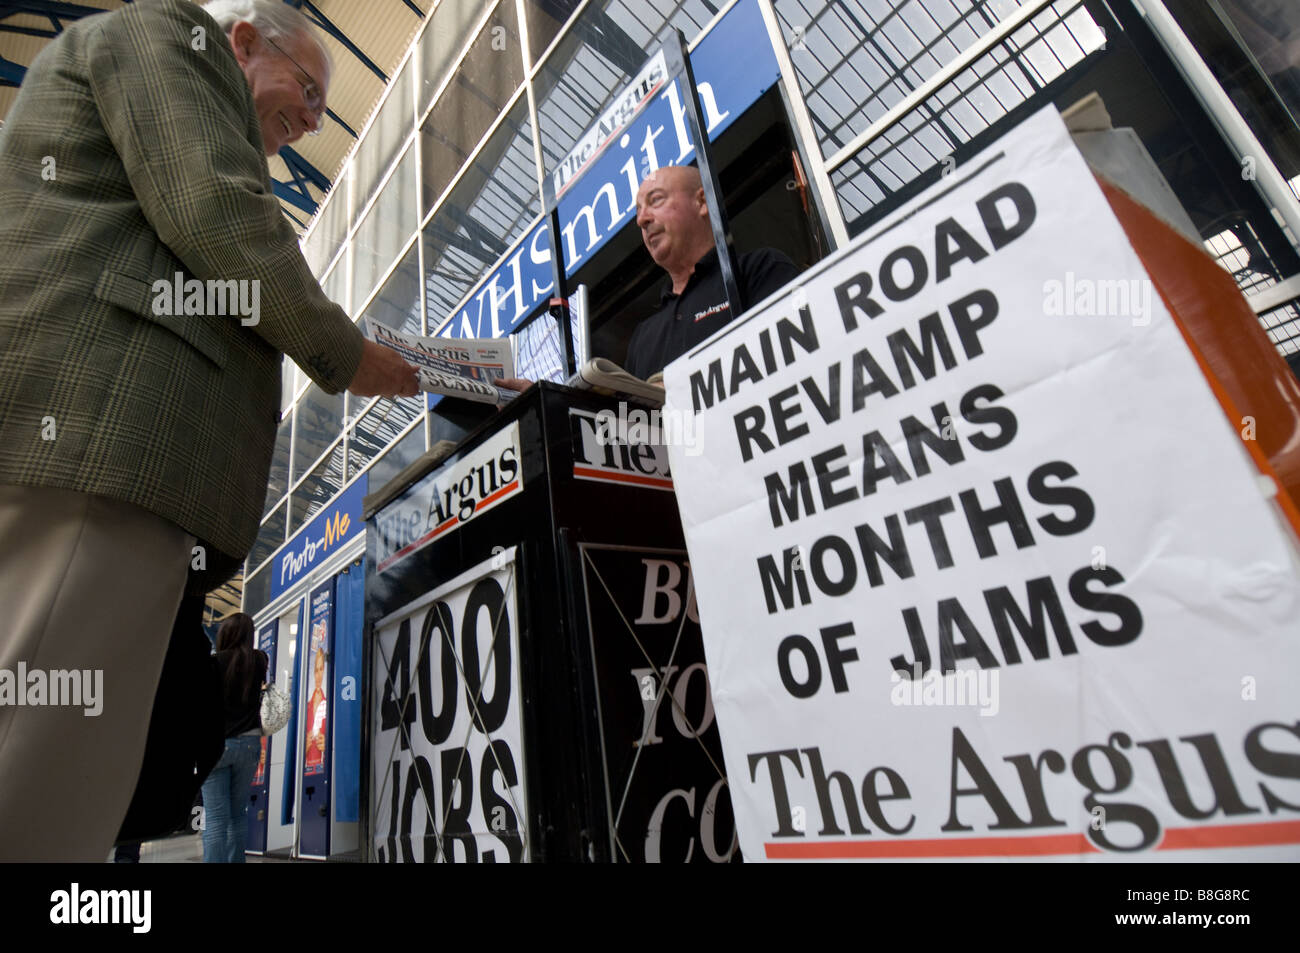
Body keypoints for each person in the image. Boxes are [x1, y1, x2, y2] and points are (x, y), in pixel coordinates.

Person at [0, 0, 418, 861]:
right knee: (38, 774)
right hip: (97, 455)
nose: (308, 123)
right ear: (236, 40)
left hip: (103, 468)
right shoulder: (167, 37)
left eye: (317, 111)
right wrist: (352, 355)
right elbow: (218, 214)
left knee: (67, 772)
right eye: (306, 91)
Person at [622, 164, 801, 380]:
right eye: (638, 211)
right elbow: (631, 414)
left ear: (702, 202)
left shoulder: (759, 271)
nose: (642, 220)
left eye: (656, 200)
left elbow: (796, 358)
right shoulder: (643, 338)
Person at [201, 613, 267, 863]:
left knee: (216, 818)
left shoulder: (213, 663)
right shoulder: (260, 660)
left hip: (217, 746)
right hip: (250, 744)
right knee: (238, 814)